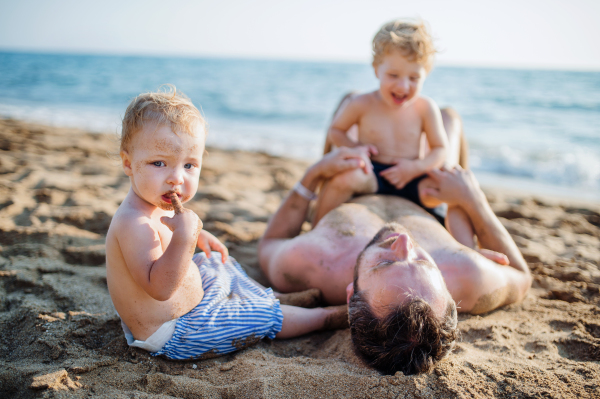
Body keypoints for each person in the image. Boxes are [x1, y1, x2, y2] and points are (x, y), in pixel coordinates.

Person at [105, 87, 347, 360]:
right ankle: (322, 317)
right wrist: (185, 239)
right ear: (128, 163)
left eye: (189, 165)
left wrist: (197, 235)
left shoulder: (151, 202)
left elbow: (166, 238)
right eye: (159, 163)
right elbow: (159, 289)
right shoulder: (133, 224)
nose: (176, 178)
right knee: (263, 317)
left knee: (215, 262)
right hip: (177, 331)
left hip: (189, 306)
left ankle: (272, 296)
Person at [258, 145, 532, 375]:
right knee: (448, 120)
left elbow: (271, 242)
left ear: (352, 292)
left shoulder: (313, 261)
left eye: (384, 263)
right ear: (449, 292)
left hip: (355, 186)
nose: (403, 241)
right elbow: (522, 275)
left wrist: (313, 174)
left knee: (351, 107)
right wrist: (474, 200)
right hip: (428, 200)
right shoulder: (467, 274)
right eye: (425, 263)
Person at [316, 19, 474, 247]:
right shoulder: (361, 103)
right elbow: (336, 131)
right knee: (342, 181)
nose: (403, 86)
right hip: (372, 171)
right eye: (393, 75)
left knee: (450, 191)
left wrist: (415, 168)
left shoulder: (425, 108)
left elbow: (440, 149)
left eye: (414, 78)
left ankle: (466, 248)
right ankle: (316, 230)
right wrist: (355, 148)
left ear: (426, 75)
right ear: (376, 69)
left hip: (411, 174)